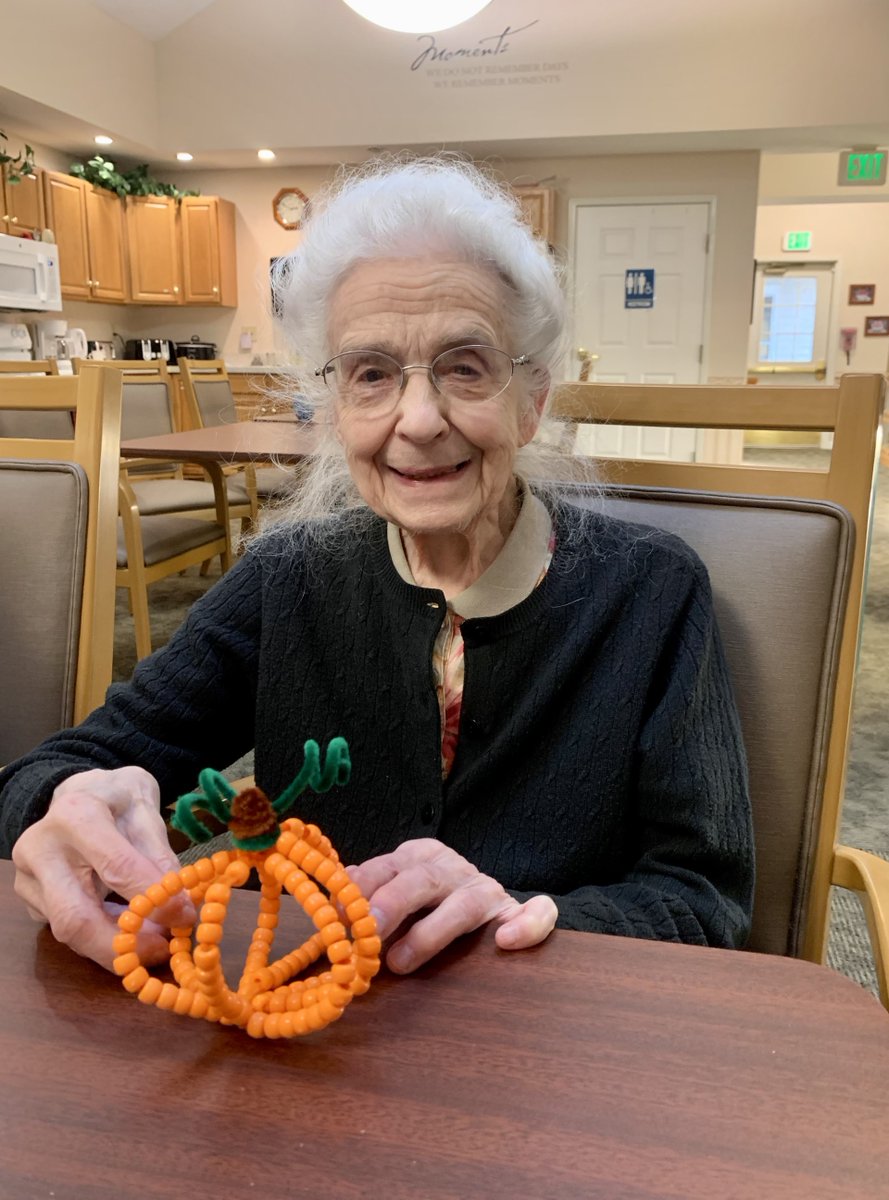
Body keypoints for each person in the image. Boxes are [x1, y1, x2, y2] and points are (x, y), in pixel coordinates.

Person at [0, 157, 754, 975]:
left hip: (558, 1048)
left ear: (531, 399)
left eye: (465, 366)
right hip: (318, 1033)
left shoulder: (651, 592)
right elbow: (60, 767)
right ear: (331, 410)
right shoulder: (289, 576)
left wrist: (531, 918)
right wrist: (59, 807)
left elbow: (703, 895)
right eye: (371, 374)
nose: (419, 419)